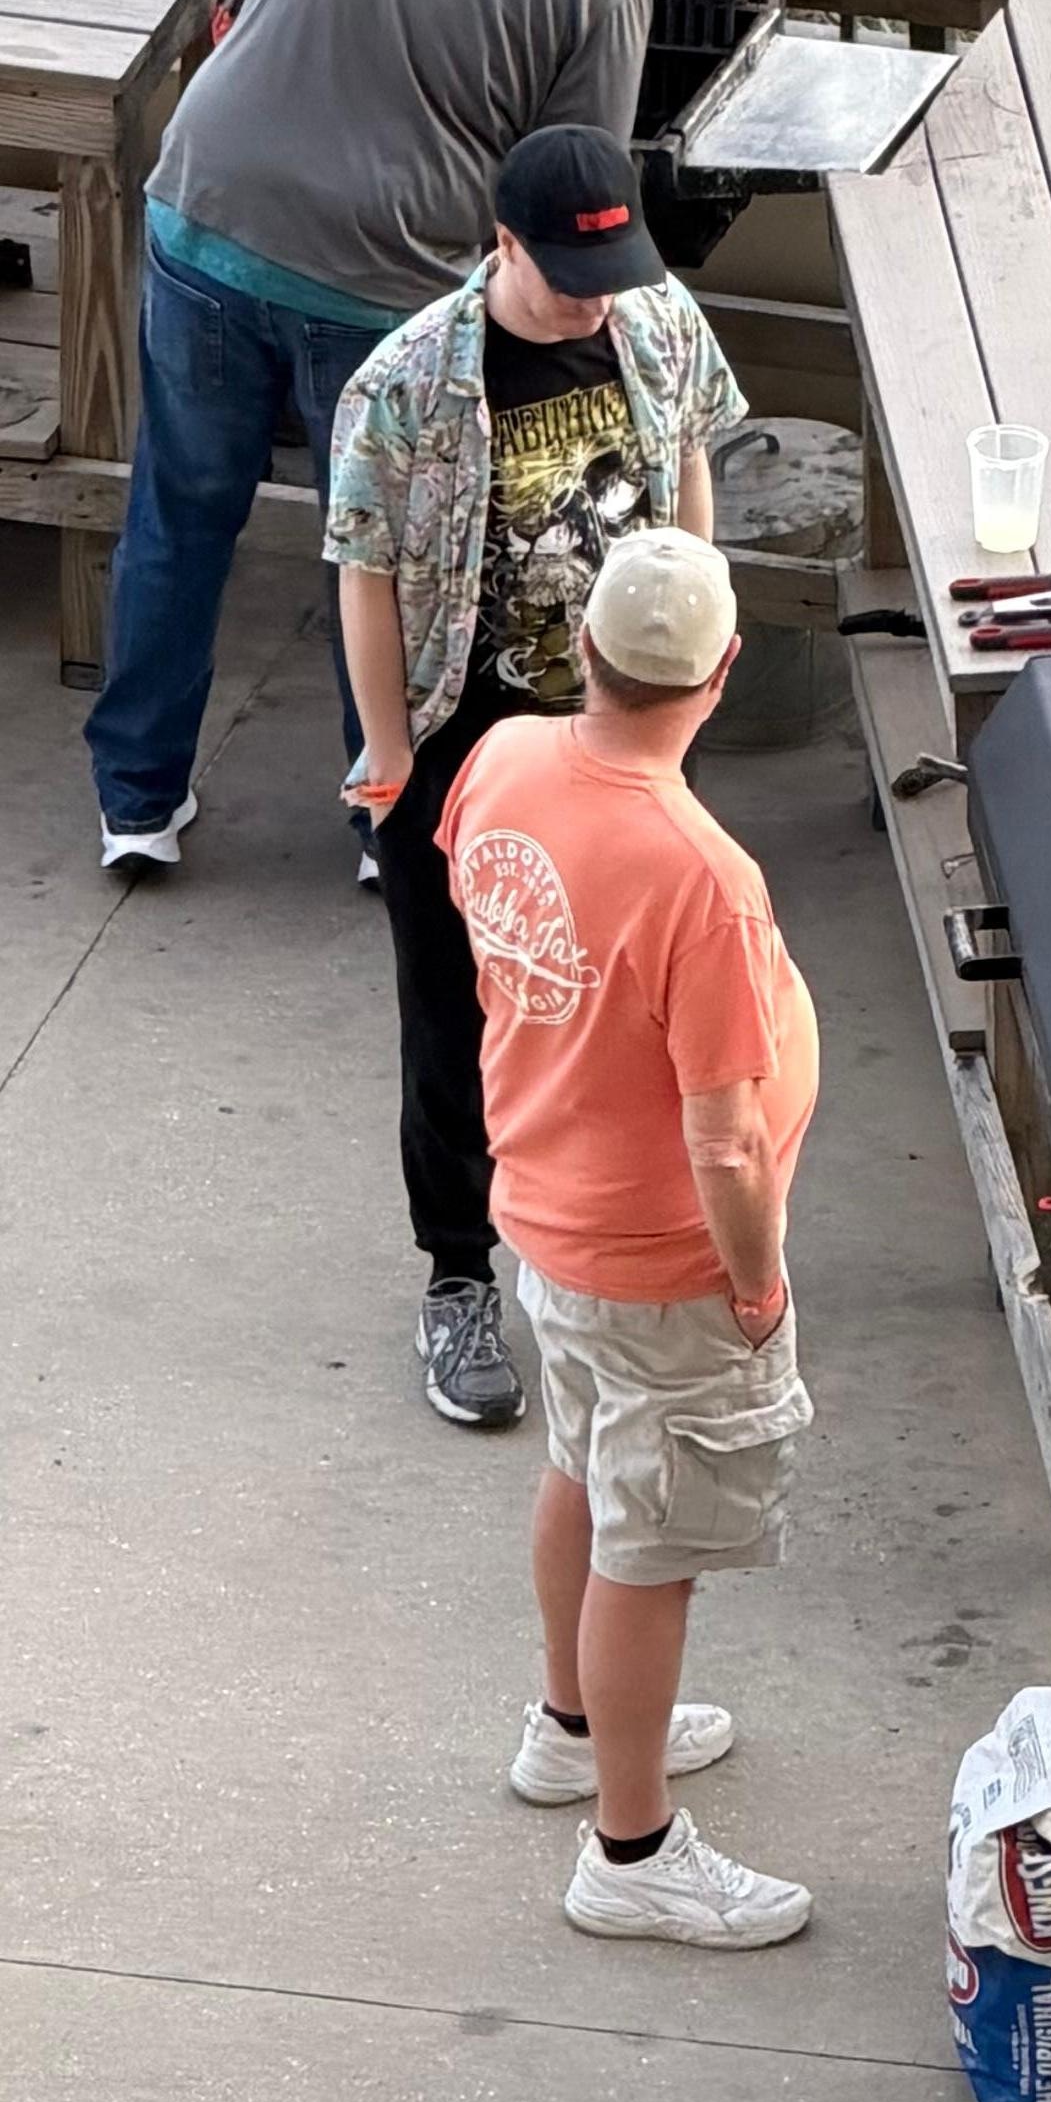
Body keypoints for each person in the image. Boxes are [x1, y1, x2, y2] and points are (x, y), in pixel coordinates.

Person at [84, 0, 706, 877]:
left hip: (205, 213)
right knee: (383, 554)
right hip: (385, 288)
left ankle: (136, 806)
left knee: (178, 516)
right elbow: (565, 183)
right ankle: (390, 814)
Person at [326, 125, 747, 1436]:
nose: (591, 297)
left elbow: (688, 460)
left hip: (614, 724)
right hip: (472, 730)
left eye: (607, 269)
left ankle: (626, 1258)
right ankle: (459, 1275)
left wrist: (689, 636)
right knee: (453, 1013)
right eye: (566, 273)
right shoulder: (407, 382)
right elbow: (366, 568)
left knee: (623, 1009)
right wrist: (392, 755)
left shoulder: (657, 320)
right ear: (500, 242)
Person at [444, 527, 818, 1953]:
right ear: (721, 675)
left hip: (546, 1214)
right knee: (650, 1543)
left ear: (584, 652)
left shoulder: (507, 760)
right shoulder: (698, 875)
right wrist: (759, 1279)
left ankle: (573, 1722)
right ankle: (632, 1844)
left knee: (583, 1469)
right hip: (661, 1262)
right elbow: (723, 1135)